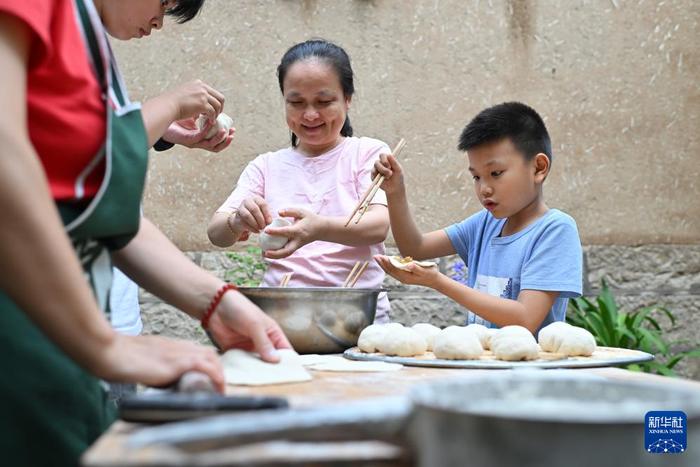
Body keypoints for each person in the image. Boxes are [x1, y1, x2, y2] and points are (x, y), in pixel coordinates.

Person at [0, 1, 290, 465]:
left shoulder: (90, 45)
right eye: (165, 1)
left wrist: (216, 300)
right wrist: (106, 344)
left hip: (61, 361)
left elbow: (109, 221)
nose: (161, 18)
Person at [207, 39, 393, 322]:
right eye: (296, 102)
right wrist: (237, 221)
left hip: (356, 318)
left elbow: (378, 227)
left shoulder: (367, 153)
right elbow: (216, 233)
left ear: (348, 99)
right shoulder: (266, 166)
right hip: (283, 317)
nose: (309, 115)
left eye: (324, 101)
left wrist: (317, 229)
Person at [372, 102, 583, 333]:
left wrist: (437, 281)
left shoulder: (555, 230)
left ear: (538, 168)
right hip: (480, 366)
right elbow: (416, 248)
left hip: (528, 368)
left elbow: (525, 319)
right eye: (476, 177)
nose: (484, 189)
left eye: (496, 174)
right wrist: (395, 193)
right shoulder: (485, 223)